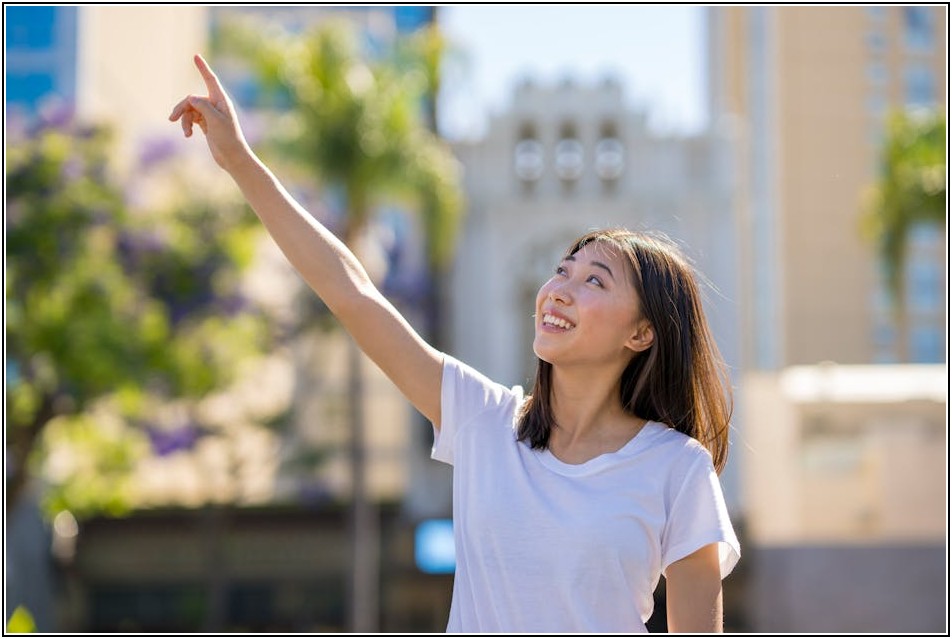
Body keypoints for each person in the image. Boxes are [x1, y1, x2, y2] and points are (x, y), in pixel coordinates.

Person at [170, 54, 740, 633]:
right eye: (562, 271)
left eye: (594, 281)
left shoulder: (677, 468)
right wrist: (240, 161)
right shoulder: (484, 421)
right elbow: (353, 293)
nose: (559, 290)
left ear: (642, 333)